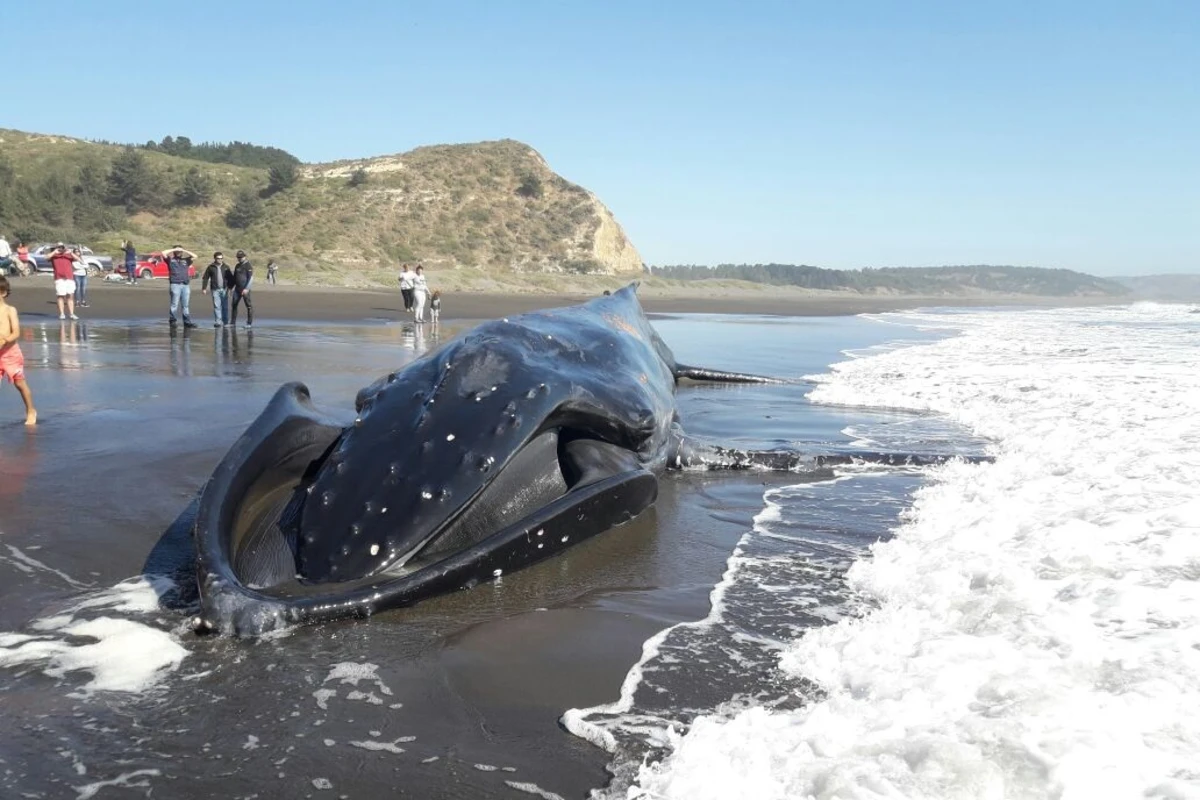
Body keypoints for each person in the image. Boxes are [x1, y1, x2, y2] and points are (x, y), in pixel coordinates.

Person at [0, 276, 37, 425]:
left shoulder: (10, 310)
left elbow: (16, 332)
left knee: (19, 383)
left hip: (10, 353)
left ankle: (30, 410)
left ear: (3, 293)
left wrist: (6, 339)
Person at [164, 245, 198, 328]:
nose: (179, 252)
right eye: (177, 251)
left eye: (180, 251)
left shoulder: (186, 260)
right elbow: (163, 253)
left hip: (185, 285)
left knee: (185, 305)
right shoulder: (170, 259)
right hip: (175, 284)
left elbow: (195, 256)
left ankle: (187, 322)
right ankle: (172, 321)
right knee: (174, 304)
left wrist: (184, 250)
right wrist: (174, 249)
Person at [47, 243, 79, 320]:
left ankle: (71, 313)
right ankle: (62, 314)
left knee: (70, 295)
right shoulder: (54, 255)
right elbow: (46, 257)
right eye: (59, 247)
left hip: (69, 278)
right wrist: (55, 251)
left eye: (62, 247)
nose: (60, 248)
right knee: (60, 296)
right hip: (59, 278)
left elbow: (78, 259)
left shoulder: (68, 255)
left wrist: (70, 252)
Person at [201, 252, 233, 327]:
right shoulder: (210, 267)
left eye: (221, 258)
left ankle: (225, 322)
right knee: (217, 306)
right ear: (215, 258)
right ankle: (218, 322)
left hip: (224, 289)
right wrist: (204, 288)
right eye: (218, 258)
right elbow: (205, 277)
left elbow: (231, 278)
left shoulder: (226, 267)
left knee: (225, 306)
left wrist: (230, 288)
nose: (220, 260)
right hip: (215, 289)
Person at [230, 249, 254, 328]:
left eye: (241, 257)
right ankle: (232, 323)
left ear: (245, 257)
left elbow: (250, 278)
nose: (240, 258)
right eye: (238, 257)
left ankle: (249, 323)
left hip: (245, 289)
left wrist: (246, 288)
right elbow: (234, 278)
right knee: (234, 305)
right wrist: (230, 287)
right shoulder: (237, 265)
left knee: (248, 306)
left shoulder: (248, 265)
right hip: (237, 289)